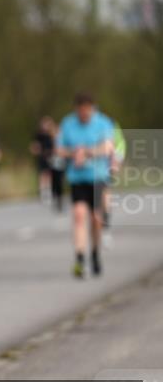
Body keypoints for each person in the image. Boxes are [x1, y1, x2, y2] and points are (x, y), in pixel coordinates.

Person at [56, 93, 114, 279]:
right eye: (80, 111)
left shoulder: (102, 122)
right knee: (79, 216)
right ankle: (80, 258)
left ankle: (95, 252)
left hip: (98, 177)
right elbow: (59, 149)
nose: (84, 114)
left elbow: (108, 147)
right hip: (77, 179)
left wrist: (88, 152)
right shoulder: (67, 124)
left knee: (96, 219)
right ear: (76, 109)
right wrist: (74, 153)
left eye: (87, 111)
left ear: (92, 108)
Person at [30, 116, 56, 206]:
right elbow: (34, 147)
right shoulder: (38, 136)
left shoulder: (51, 135)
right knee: (42, 175)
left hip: (50, 157)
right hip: (42, 157)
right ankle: (42, 193)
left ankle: (49, 192)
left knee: (49, 175)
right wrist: (37, 150)